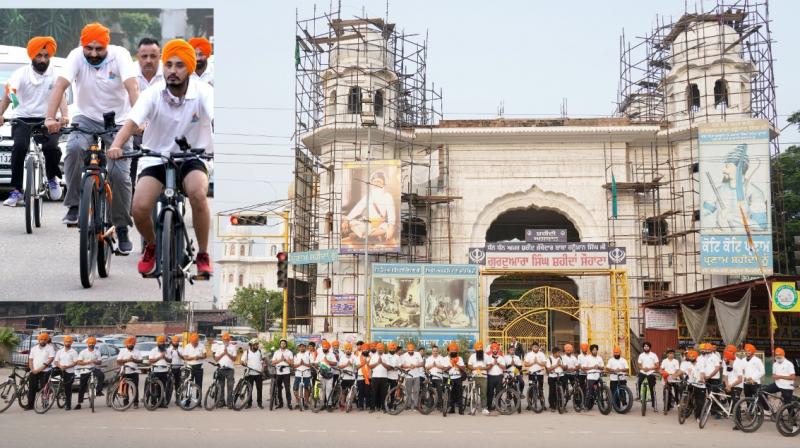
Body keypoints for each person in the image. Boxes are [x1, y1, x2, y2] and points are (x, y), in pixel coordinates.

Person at [108, 38, 213, 278]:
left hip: (193, 156)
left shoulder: (204, 92)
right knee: (139, 207)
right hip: (155, 157)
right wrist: (116, 145)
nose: (173, 71)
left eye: (180, 66)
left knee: (197, 193)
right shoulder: (153, 93)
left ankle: (203, 254)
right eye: (169, 66)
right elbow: (132, 122)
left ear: (189, 68)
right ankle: (152, 246)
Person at [45, 22, 138, 249]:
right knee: (74, 149)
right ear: (82, 45)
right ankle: (74, 204)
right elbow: (59, 87)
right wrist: (50, 117)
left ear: (107, 46)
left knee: (118, 174)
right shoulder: (76, 56)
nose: (93, 54)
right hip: (85, 117)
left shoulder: (120, 56)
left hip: (118, 122)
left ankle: (122, 226)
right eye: (89, 48)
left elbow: (132, 88)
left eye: (99, 49)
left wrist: (139, 120)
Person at [1, 36, 66, 207]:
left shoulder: (55, 75)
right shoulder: (20, 74)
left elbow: (61, 97)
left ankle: (52, 179)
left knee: (51, 147)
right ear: (32, 56)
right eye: (39, 55)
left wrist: (64, 116)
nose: (43, 59)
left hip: (48, 119)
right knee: (19, 147)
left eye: (46, 55)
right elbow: (9, 93)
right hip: (22, 118)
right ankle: (16, 191)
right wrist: (2, 113)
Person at [130, 37, 163, 194]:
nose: (148, 60)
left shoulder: (170, 73)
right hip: (136, 127)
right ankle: (131, 193)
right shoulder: (128, 73)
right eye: (144, 56)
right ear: (137, 56)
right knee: (130, 155)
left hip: (163, 128)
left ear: (160, 56)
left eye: (153, 56)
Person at [341, 170, 398, 247]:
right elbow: (358, 209)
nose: (377, 183)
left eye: (379, 181)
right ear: (372, 183)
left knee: (387, 228)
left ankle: (365, 235)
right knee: (352, 223)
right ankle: (372, 234)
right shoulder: (368, 196)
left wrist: (391, 228)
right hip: (369, 225)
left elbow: (391, 214)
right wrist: (347, 219)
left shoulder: (387, 196)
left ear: (383, 184)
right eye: (375, 181)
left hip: (381, 225)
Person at [26, 333, 55, 410]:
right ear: (39, 340)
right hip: (34, 371)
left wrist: (40, 369)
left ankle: (45, 403)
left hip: (45, 371)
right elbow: (30, 359)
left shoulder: (50, 348)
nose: (43, 341)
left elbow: (50, 359)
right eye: (41, 339)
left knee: (44, 389)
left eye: (45, 339)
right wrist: (32, 369)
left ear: (47, 340)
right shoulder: (34, 348)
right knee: (32, 388)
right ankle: (30, 405)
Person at [74, 336, 105, 410]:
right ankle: (79, 403)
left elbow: (100, 362)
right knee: (82, 386)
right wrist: (87, 362)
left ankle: (98, 390)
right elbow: (79, 362)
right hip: (85, 370)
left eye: (93, 343)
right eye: (90, 343)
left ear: (95, 344)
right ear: (87, 344)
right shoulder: (83, 352)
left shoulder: (97, 351)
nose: (91, 344)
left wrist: (96, 361)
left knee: (101, 375)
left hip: (94, 369)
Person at [210, 332, 236, 408]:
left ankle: (229, 403)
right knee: (221, 386)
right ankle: (221, 402)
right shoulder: (219, 347)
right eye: (224, 340)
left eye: (227, 339)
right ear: (222, 340)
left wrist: (227, 353)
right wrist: (223, 354)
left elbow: (234, 359)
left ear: (229, 339)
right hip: (221, 369)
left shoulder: (233, 347)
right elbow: (216, 359)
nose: (226, 341)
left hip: (230, 370)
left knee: (230, 387)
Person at [53, 335, 79, 410]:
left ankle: (68, 405)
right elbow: (56, 361)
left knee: (68, 388)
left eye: (69, 342)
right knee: (48, 375)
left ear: (71, 343)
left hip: (69, 372)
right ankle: (53, 390)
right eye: (66, 342)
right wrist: (60, 366)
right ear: (64, 342)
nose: (67, 343)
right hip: (60, 369)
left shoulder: (74, 352)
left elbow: (75, 363)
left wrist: (66, 367)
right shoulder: (60, 351)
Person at [117, 336, 142, 408]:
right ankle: (125, 402)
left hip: (134, 371)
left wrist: (134, 360)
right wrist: (127, 360)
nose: (131, 345)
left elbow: (141, 360)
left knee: (135, 388)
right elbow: (118, 361)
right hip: (125, 372)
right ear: (126, 345)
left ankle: (136, 403)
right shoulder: (122, 351)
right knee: (125, 387)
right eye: (129, 344)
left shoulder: (137, 351)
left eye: (132, 344)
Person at [147, 335, 172, 408]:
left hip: (164, 371)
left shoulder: (167, 350)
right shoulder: (153, 350)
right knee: (154, 387)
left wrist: (165, 357)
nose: (162, 343)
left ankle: (161, 403)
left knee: (163, 387)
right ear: (157, 343)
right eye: (160, 342)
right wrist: (159, 357)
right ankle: (153, 403)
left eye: (163, 342)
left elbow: (170, 360)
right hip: (155, 371)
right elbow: (151, 361)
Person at [241, 338, 264, 409]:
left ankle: (259, 403)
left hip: (258, 374)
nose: (257, 346)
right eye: (256, 344)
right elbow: (241, 361)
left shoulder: (260, 351)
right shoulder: (247, 352)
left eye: (257, 344)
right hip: (250, 373)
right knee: (249, 389)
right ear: (251, 345)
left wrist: (263, 368)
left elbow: (264, 361)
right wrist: (243, 363)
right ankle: (249, 403)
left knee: (259, 389)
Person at [467, 341, 489, 415]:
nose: (479, 349)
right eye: (478, 348)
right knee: (473, 392)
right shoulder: (472, 356)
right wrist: (474, 368)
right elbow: (469, 365)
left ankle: (484, 408)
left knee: (484, 393)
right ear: (475, 349)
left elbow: (489, 365)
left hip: (483, 376)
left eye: (480, 348)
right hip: (475, 376)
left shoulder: (486, 356)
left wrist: (483, 368)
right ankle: (473, 407)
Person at [523, 342, 546, 411]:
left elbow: (544, 363)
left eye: (536, 347)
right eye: (534, 347)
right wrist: (533, 362)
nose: (535, 348)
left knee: (540, 389)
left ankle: (542, 404)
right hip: (532, 374)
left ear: (539, 347)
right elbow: (525, 364)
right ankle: (529, 404)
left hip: (540, 374)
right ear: (532, 347)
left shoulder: (542, 354)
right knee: (531, 389)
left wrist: (538, 362)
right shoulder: (529, 354)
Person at [444, 342, 466, 415]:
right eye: (452, 351)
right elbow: (444, 369)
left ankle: (461, 410)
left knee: (459, 394)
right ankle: (452, 409)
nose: (453, 352)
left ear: (457, 351)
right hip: (449, 378)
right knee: (450, 394)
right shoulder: (445, 359)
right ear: (449, 351)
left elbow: (463, 368)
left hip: (458, 378)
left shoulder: (460, 358)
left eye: (455, 351)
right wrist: (451, 365)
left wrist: (456, 364)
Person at [400, 342, 423, 411]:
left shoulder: (418, 354)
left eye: (412, 351)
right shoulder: (404, 355)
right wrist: (409, 366)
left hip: (416, 376)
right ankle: (408, 405)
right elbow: (402, 365)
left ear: (414, 349)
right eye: (409, 351)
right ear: (407, 350)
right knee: (408, 391)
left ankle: (416, 405)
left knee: (416, 391)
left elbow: (422, 363)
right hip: (408, 376)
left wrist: (415, 366)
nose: (411, 352)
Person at [369, 342, 391, 413]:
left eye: (381, 349)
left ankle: (384, 408)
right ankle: (372, 408)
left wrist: (382, 363)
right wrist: (377, 363)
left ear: (383, 349)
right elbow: (370, 366)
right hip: (375, 377)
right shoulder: (373, 356)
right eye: (379, 349)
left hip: (384, 377)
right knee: (373, 393)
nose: (380, 350)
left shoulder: (386, 356)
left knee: (384, 394)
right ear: (377, 349)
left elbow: (389, 367)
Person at [636, 341, 659, 409]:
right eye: (645, 346)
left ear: (650, 347)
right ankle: (640, 396)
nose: (646, 347)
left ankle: (653, 403)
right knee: (639, 382)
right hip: (643, 372)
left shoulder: (654, 355)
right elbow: (639, 365)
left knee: (651, 387)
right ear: (643, 347)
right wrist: (643, 368)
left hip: (651, 372)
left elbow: (657, 365)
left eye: (647, 346)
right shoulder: (641, 355)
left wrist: (649, 368)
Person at [425, 344, 447, 411]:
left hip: (439, 378)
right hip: (431, 377)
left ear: (438, 351)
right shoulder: (429, 358)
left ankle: (439, 406)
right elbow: (426, 367)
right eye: (434, 351)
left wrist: (436, 365)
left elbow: (443, 367)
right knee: (431, 392)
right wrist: (432, 365)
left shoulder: (441, 358)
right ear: (432, 351)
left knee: (439, 392)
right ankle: (431, 406)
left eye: (436, 351)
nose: (435, 352)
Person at [272, 338, 293, 409]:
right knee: (279, 388)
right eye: (281, 343)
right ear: (280, 344)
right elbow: (273, 362)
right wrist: (280, 360)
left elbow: (291, 363)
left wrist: (285, 360)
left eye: (284, 343)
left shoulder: (289, 352)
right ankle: (280, 403)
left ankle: (289, 403)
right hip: (278, 372)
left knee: (287, 388)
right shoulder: (276, 352)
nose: (283, 344)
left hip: (286, 371)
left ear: (286, 344)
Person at [486, 342, 507, 413]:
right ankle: (489, 407)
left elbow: (504, 368)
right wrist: (492, 364)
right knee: (490, 393)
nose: (495, 350)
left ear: (498, 350)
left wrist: (498, 363)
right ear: (491, 350)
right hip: (490, 376)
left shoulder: (501, 358)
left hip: (499, 376)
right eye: (493, 349)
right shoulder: (488, 357)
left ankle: (498, 406)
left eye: (496, 349)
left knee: (499, 393)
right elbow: (487, 368)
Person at [583, 344, 604, 409]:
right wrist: (592, 367)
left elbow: (602, 367)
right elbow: (584, 368)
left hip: (598, 376)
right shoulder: (587, 358)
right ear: (591, 351)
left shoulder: (600, 358)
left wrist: (599, 367)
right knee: (590, 391)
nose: (595, 351)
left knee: (600, 391)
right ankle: (586, 405)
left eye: (596, 350)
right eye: (593, 350)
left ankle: (602, 406)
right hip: (590, 377)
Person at [353, 342, 371, 410]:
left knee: (367, 392)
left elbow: (372, 367)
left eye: (367, 349)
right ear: (362, 350)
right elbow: (356, 367)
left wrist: (368, 363)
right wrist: (364, 363)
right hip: (360, 376)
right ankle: (360, 406)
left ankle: (367, 405)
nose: (365, 351)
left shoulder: (370, 357)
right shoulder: (358, 358)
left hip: (368, 377)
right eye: (364, 349)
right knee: (361, 392)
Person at [292, 343, 311, 408]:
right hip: (298, 374)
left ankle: (305, 402)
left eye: (303, 347)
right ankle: (298, 402)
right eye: (300, 347)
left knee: (307, 389)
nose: (302, 348)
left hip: (306, 374)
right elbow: (294, 366)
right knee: (295, 389)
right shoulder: (296, 355)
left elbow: (311, 365)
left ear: (305, 347)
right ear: (299, 348)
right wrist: (300, 364)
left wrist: (305, 364)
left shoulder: (308, 354)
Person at [165, 335, 183, 402]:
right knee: (169, 384)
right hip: (171, 368)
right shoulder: (168, 349)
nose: (176, 343)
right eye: (175, 341)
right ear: (172, 342)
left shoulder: (181, 349)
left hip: (179, 368)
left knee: (178, 385)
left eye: (177, 341)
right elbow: (166, 359)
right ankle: (167, 399)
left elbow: (184, 358)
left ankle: (178, 399)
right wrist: (171, 353)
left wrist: (178, 353)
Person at [546, 346, 564, 412]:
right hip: (552, 376)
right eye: (558, 352)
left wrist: (561, 365)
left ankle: (560, 404)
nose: (559, 354)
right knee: (552, 391)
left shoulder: (561, 358)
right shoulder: (549, 359)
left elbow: (564, 367)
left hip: (560, 375)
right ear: (555, 353)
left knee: (561, 391)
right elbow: (548, 369)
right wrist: (557, 365)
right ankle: (552, 406)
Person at [385, 342, 400, 406]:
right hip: (386, 376)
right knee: (385, 392)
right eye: (391, 348)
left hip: (395, 377)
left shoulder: (397, 356)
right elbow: (386, 366)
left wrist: (393, 368)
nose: (392, 350)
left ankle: (391, 405)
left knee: (393, 392)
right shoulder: (385, 356)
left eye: (394, 348)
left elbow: (399, 366)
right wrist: (392, 368)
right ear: (388, 349)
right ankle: (384, 405)